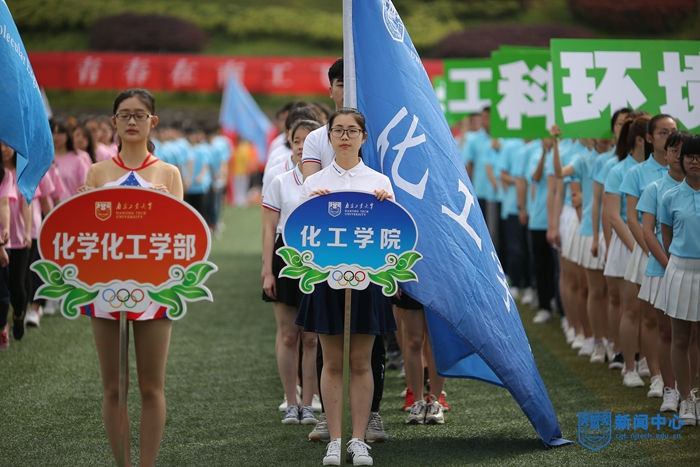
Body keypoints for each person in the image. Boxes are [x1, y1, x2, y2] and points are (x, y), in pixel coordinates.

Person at [79, 88, 183, 467]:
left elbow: (181, 237)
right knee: (113, 387)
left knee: (151, 387)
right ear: (114, 122)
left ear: (153, 121)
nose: (132, 121)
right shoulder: (98, 172)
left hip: (155, 288)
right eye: (125, 114)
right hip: (104, 287)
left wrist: (167, 205)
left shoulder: (168, 173)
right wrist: (80, 207)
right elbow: (82, 237)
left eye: (140, 115)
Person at [297, 108, 395, 466]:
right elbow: (300, 237)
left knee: (361, 361)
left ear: (363, 137)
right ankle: (335, 441)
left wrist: (387, 208)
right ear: (329, 137)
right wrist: (312, 205)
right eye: (337, 130)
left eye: (352, 131)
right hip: (325, 280)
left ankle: (358, 440)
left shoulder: (380, 182)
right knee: (334, 362)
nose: (344, 137)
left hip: (368, 282)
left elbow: (392, 238)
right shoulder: (314, 182)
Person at [262, 119, 321, 426]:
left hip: (318, 258)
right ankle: (291, 402)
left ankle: (309, 404)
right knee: (288, 335)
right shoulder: (280, 181)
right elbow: (269, 228)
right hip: (284, 257)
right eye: (297, 141)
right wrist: (267, 271)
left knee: (312, 338)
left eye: (308, 141)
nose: (301, 147)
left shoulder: (328, 181)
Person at [619, 114, 677, 396]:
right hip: (647, 250)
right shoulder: (637, 173)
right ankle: (649, 373)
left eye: (673, 131)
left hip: (678, 254)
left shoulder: (686, 171)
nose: (670, 136)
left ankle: (672, 377)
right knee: (646, 316)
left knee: (676, 320)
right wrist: (649, 250)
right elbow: (632, 218)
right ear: (650, 139)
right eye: (664, 132)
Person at [637, 131, 694, 413]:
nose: (681, 156)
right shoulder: (659, 190)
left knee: (692, 337)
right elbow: (653, 233)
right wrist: (670, 263)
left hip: (685, 270)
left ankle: (690, 393)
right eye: (676, 150)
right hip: (667, 268)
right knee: (667, 332)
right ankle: (671, 390)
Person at [603, 114, 651, 388]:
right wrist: (637, 248)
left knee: (651, 312)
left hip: (653, 244)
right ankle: (629, 365)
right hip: (628, 244)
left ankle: (647, 360)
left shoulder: (660, 169)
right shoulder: (619, 169)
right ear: (641, 139)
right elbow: (614, 215)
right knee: (631, 307)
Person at [657, 134, 700, 426]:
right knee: (681, 338)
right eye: (690, 156)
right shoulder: (670, 196)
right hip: (680, 270)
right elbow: (668, 238)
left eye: (699, 157)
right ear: (681, 160)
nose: (695, 161)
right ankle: (686, 399)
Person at [1, 141, 32, 342]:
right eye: (0, 145)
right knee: (2, 288)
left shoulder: (22, 173)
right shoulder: (2, 173)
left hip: (18, 237)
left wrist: (27, 232)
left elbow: (26, 204)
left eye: (7, 145)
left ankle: (18, 315)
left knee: (18, 289)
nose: (4, 149)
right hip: (2, 239)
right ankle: (2, 325)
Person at [0, 143, 16, 349]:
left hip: (3, 243)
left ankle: (2, 325)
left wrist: (5, 229)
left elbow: (3, 204)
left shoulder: (5, 175)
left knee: (3, 293)